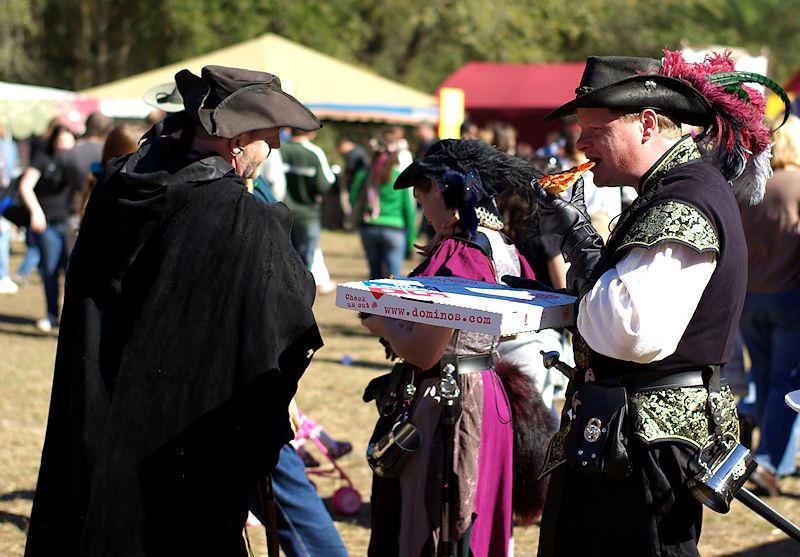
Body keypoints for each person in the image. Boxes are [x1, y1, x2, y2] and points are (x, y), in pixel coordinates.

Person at [25, 65, 324, 557]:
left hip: (102, 417)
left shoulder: (120, 184)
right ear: (238, 139)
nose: (270, 152)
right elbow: (287, 317)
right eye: (267, 139)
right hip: (182, 445)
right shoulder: (239, 217)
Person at [507, 52, 788, 556]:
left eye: (595, 128)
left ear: (648, 124)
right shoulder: (664, 190)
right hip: (621, 438)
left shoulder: (683, 197)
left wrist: (580, 245)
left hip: (646, 450)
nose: (581, 143)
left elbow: (632, 330)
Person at [360, 139, 553, 557]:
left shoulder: (460, 251)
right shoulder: (499, 244)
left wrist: (381, 322)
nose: (419, 206)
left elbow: (426, 352)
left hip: (451, 404)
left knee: (442, 531)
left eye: (420, 193)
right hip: (482, 392)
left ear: (439, 188)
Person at [737, 113, 800, 496]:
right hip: (789, 297)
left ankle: (777, 460)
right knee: (786, 384)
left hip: (750, 297)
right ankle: (772, 463)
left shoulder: (750, 187)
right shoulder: (797, 185)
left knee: (765, 379)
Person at [17, 125, 76, 331]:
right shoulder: (43, 160)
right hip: (48, 225)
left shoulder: (75, 162)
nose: (64, 147)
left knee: (73, 271)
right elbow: (25, 186)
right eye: (61, 142)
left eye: (68, 142)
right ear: (54, 142)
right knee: (50, 270)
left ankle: (71, 319)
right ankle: (51, 315)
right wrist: (36, 211)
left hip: (70, 224)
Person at [349, 144, 417, 279]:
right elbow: (408, 209)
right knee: (393, 277)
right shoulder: (399, 177)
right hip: (395, 230)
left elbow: (353, 197)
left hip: (369, 227)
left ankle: (373, 300)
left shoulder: (364, 175)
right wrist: (411, 239)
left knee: (374, 275)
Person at [281, 128, 335, 269]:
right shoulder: (314, 152)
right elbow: (325, 184)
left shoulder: (278, 150)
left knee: (281, 262)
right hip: (308, 215)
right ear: (311, 133)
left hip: (281, 213)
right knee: (304, 266)